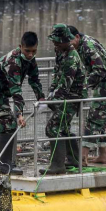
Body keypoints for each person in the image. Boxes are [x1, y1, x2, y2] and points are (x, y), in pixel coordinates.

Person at [0, 32, 45, 175]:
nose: (30, 54)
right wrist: (19, 114)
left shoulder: (31, 60)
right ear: (20, 47)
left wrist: (41, 98)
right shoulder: (13, 62)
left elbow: (34, 80)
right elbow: (16, 89)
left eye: (33, 51)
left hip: (3, 93)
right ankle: (3, 165)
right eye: (27, 51)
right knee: (8, 123)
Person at [68, 25, 106, 166]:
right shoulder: (82, 44)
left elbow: (100, 69)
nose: (68, 44)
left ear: (77, 37)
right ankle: (103, 155)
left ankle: (82, 157)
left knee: (93, 119)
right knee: (100, 119)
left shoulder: (87, 46)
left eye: (69, 40)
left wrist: (83, 85)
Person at [40, 24, 87, 175]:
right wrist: (50, 94)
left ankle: (57, 166)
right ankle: (74, 160)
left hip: (73, 98)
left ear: (66, 41)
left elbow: (65, 85)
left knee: (53, 128)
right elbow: (57, 75)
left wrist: (50, 101)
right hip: (64, 95)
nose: (55, 44)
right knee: (64, 127)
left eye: (57, 41)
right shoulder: (60, 51)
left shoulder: (72, 58)